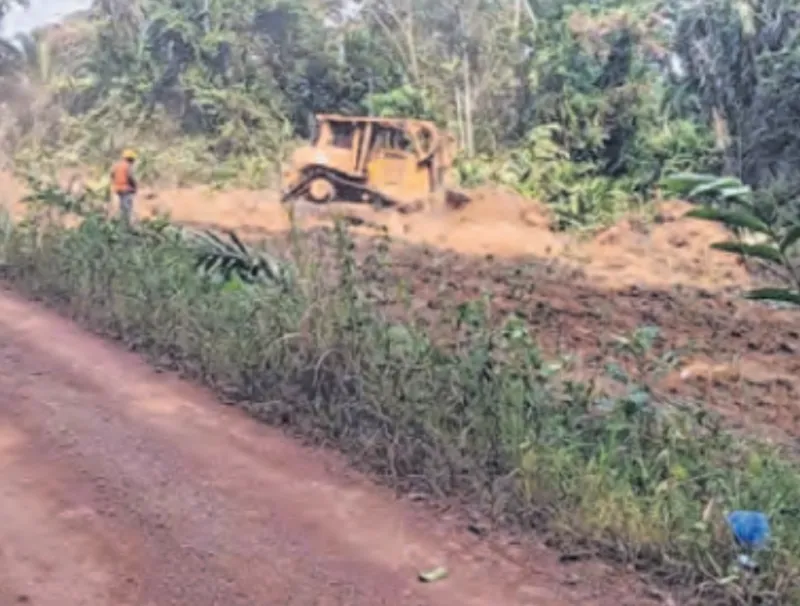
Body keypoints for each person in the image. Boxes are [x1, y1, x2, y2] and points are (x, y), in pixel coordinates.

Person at [111, 149, 138, 226]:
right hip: (126, 189)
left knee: (121, 206)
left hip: (117, 189)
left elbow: (112, 175)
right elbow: (130, 177)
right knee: (127, 207)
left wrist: (115, 182)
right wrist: (135, 185)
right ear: (130, 159)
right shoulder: (127, 166)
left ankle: (121, 221)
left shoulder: (116, 165)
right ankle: (127, 223)